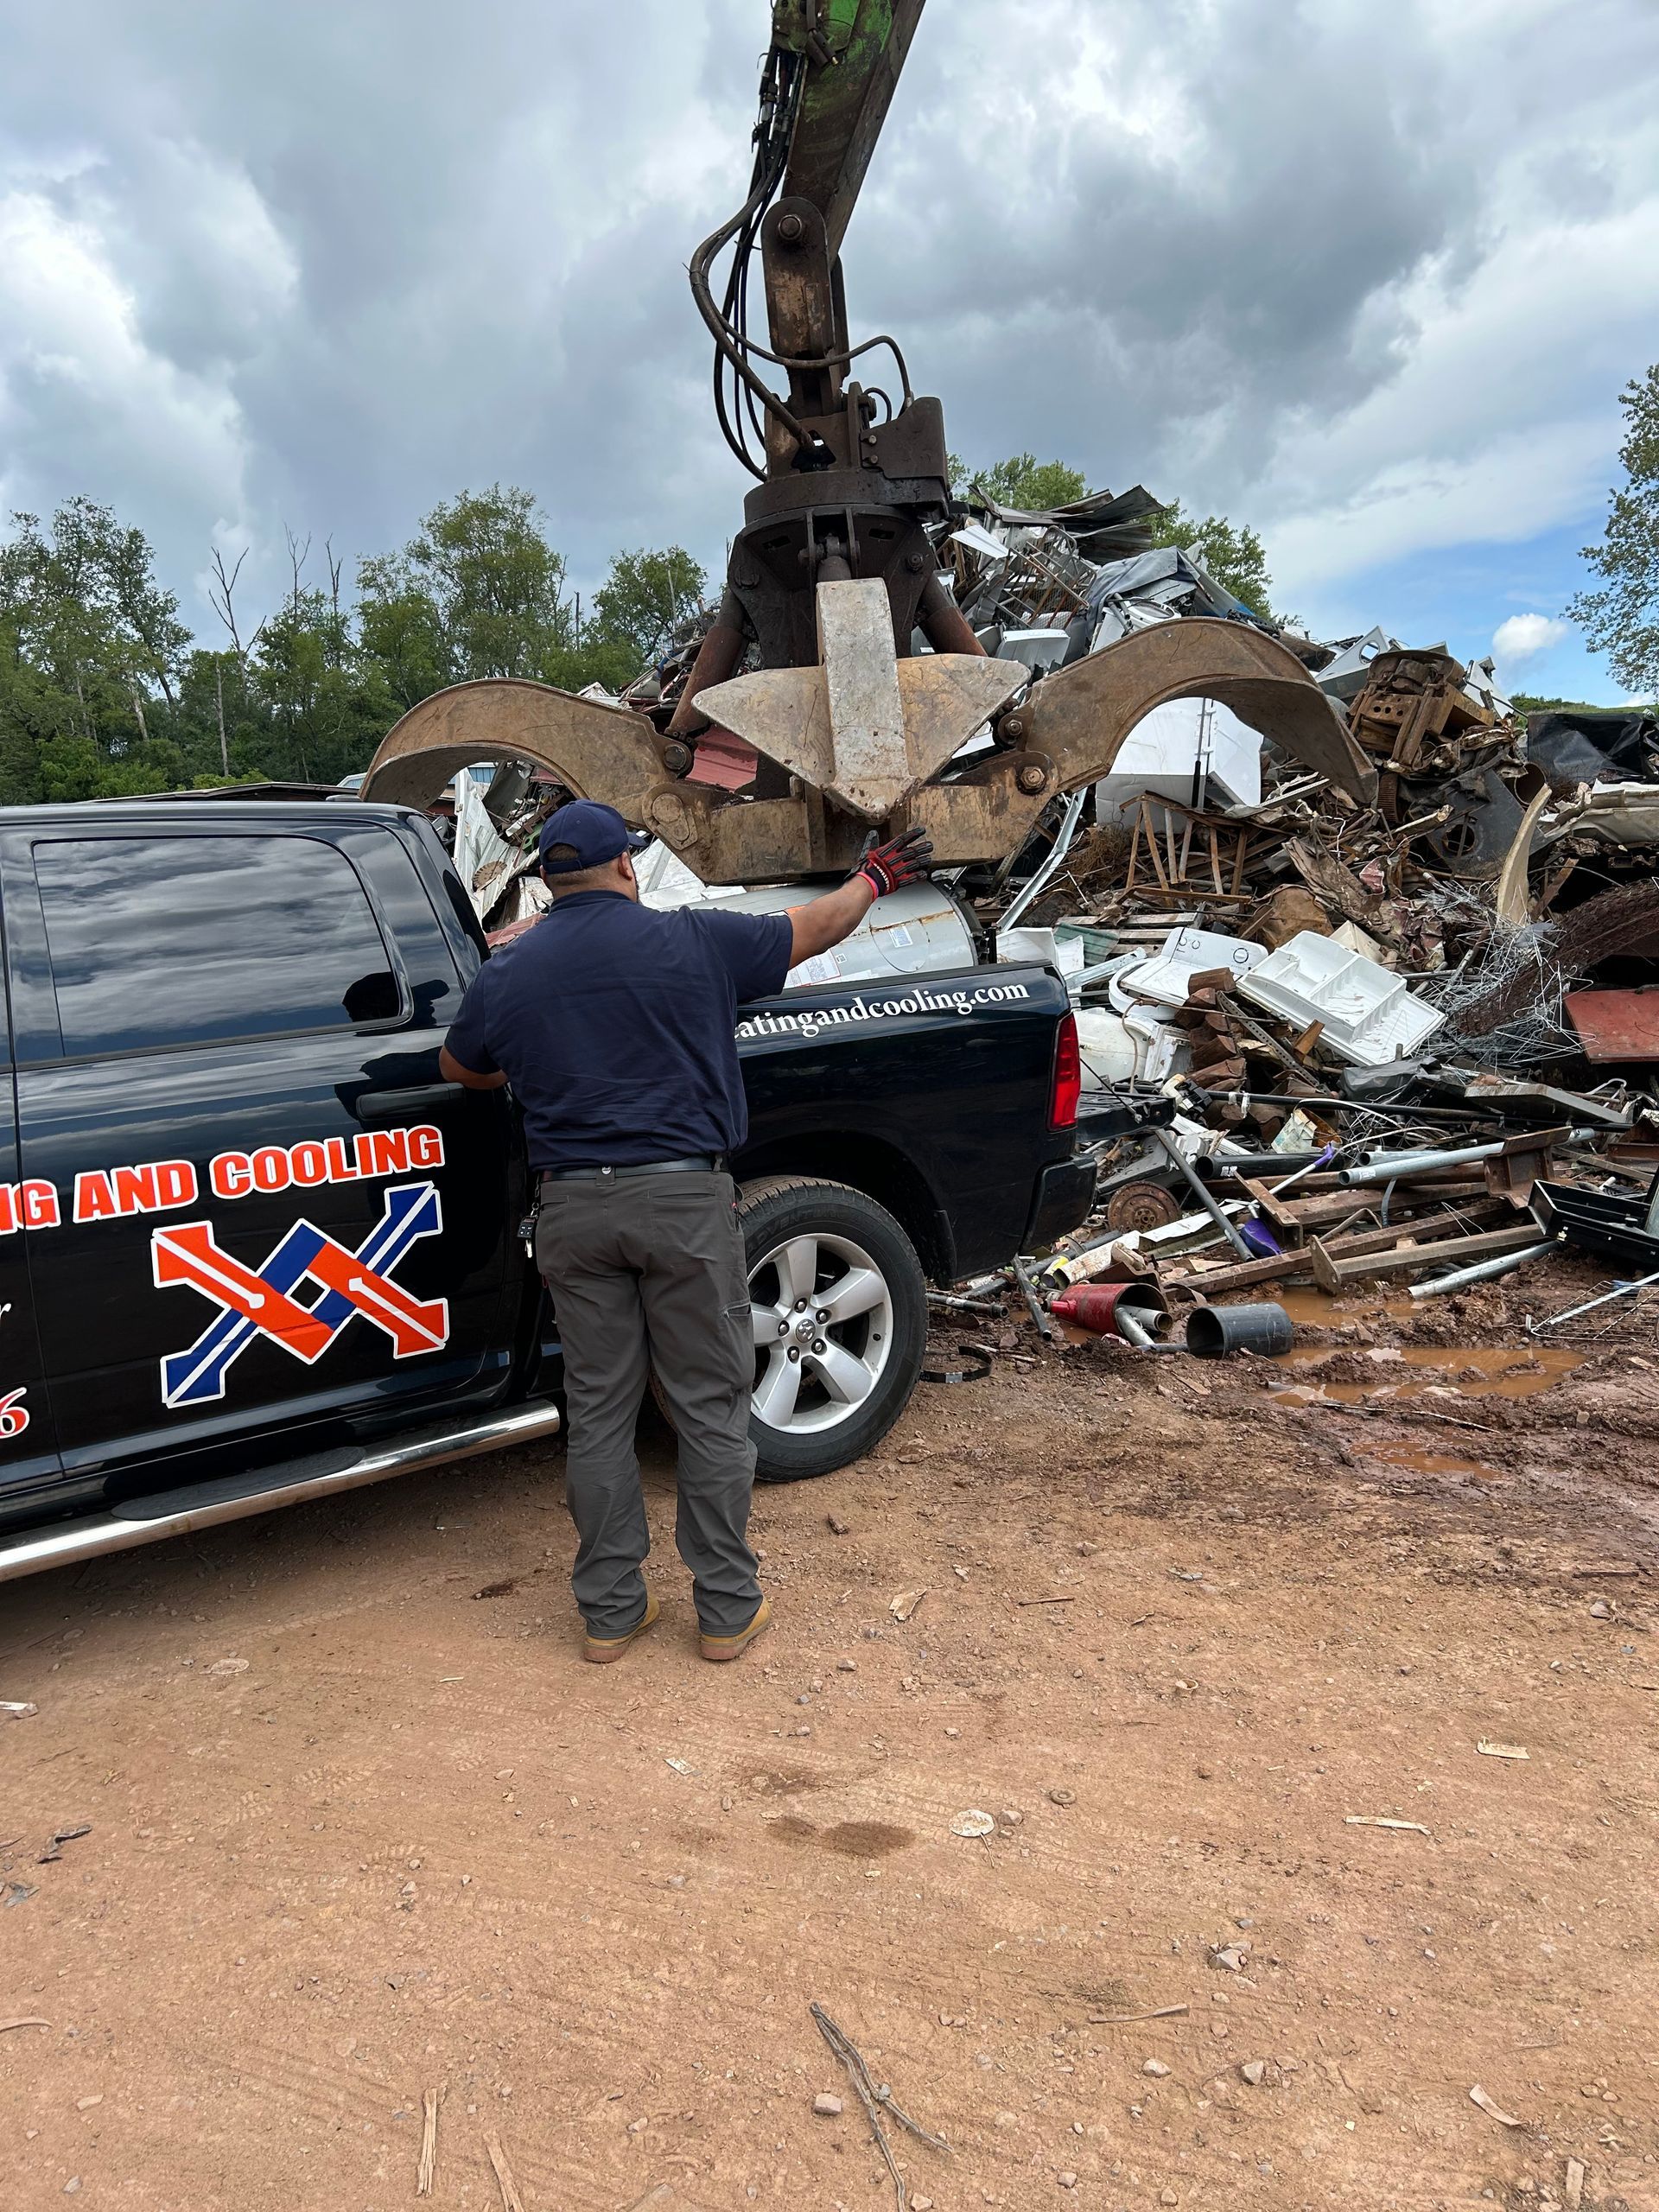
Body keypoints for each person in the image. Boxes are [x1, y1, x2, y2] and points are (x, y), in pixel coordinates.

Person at [439, 798, 932, 1665]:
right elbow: (815, 928)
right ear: (627, 868)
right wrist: (876, 877)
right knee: (708, 1408)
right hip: (682, 1206)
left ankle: (608, 1614)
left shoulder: (513, 971)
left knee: (597, 1414)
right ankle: (726, 1610)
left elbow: (460, 1067)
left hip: (574, 1213)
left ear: (547, 881)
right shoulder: (697, 941)